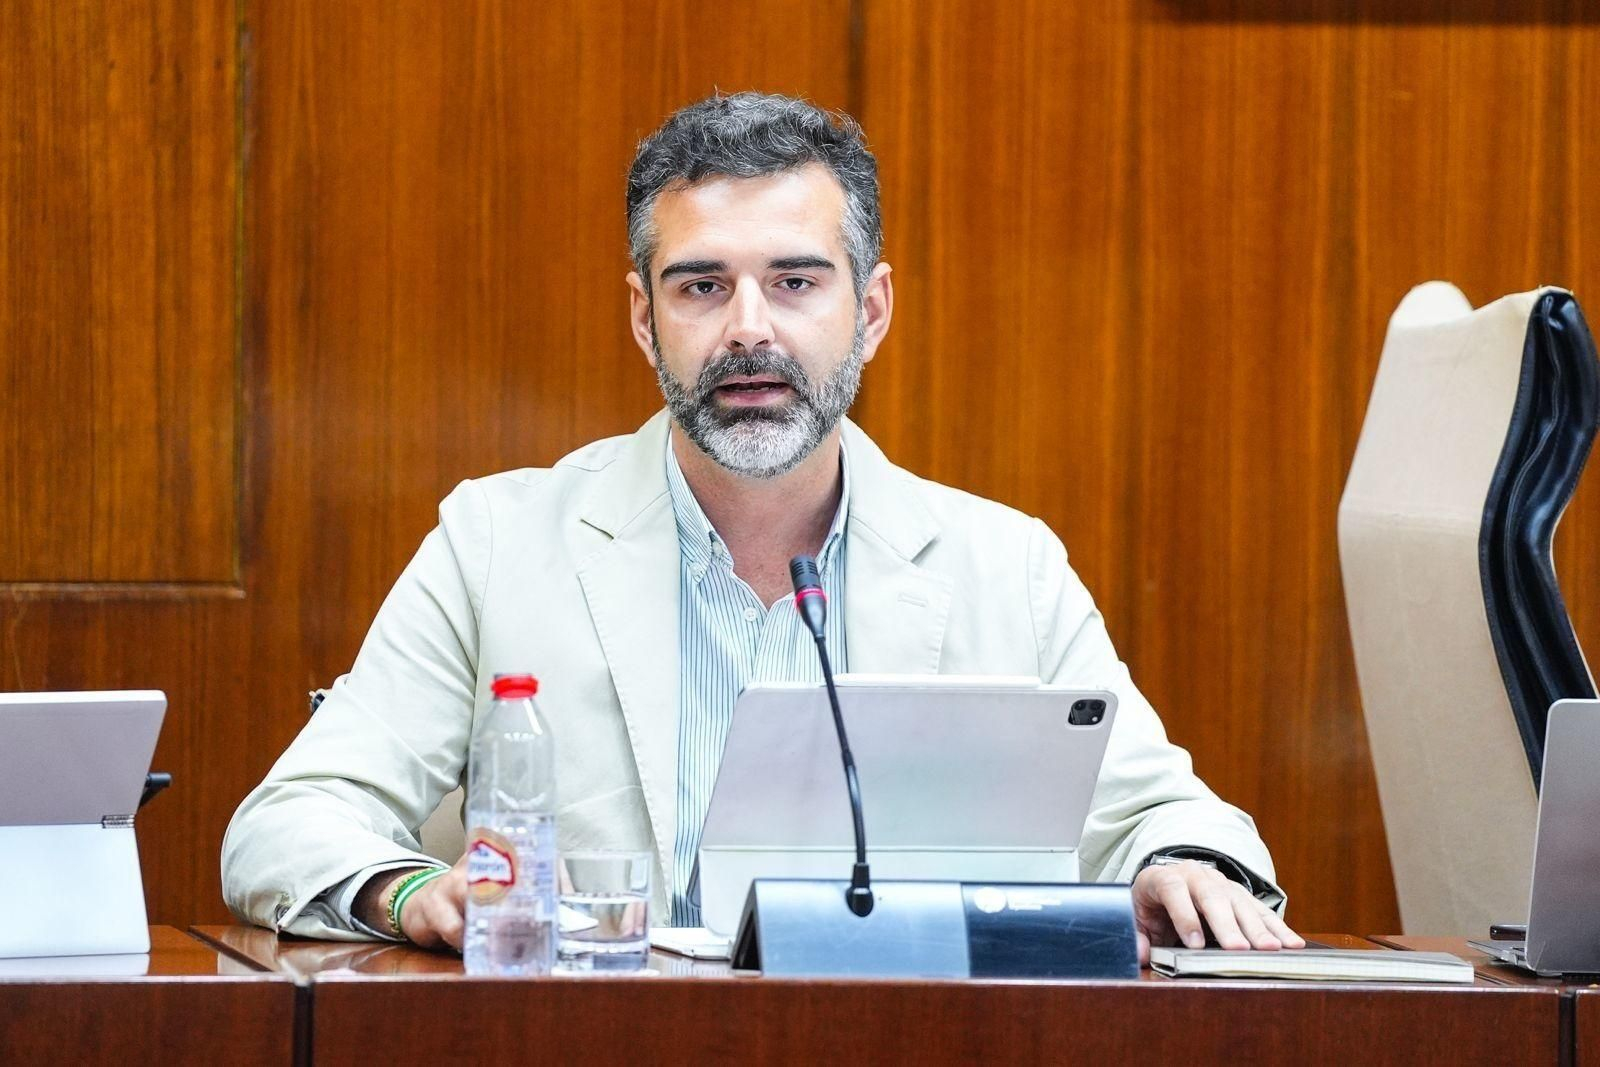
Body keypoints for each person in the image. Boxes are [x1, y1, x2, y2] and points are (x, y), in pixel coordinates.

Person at [223, 91, 1303, 963]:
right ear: (644, 315)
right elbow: (288, 821)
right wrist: (415, 888)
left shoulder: (1001, 562)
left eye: (794, 281)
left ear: (868, 311)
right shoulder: (497, 540)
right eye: (701, 286)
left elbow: (1169, 813)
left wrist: (1175, 865)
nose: (749, 329)